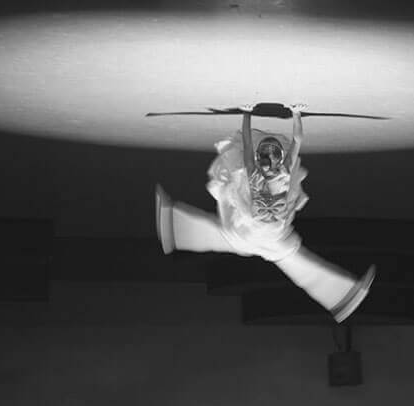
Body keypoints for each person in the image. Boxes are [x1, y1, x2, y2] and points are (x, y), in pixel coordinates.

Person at [154, 103, 376, 323]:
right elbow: (290, 141)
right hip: (264, 237)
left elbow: (258, 143)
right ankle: (343, 296)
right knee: (302, 267)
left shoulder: (261, 174)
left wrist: (250, 113)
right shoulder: (278, 173)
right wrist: (292, 114)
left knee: (296, 264)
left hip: (255, 235)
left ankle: (173, 225)